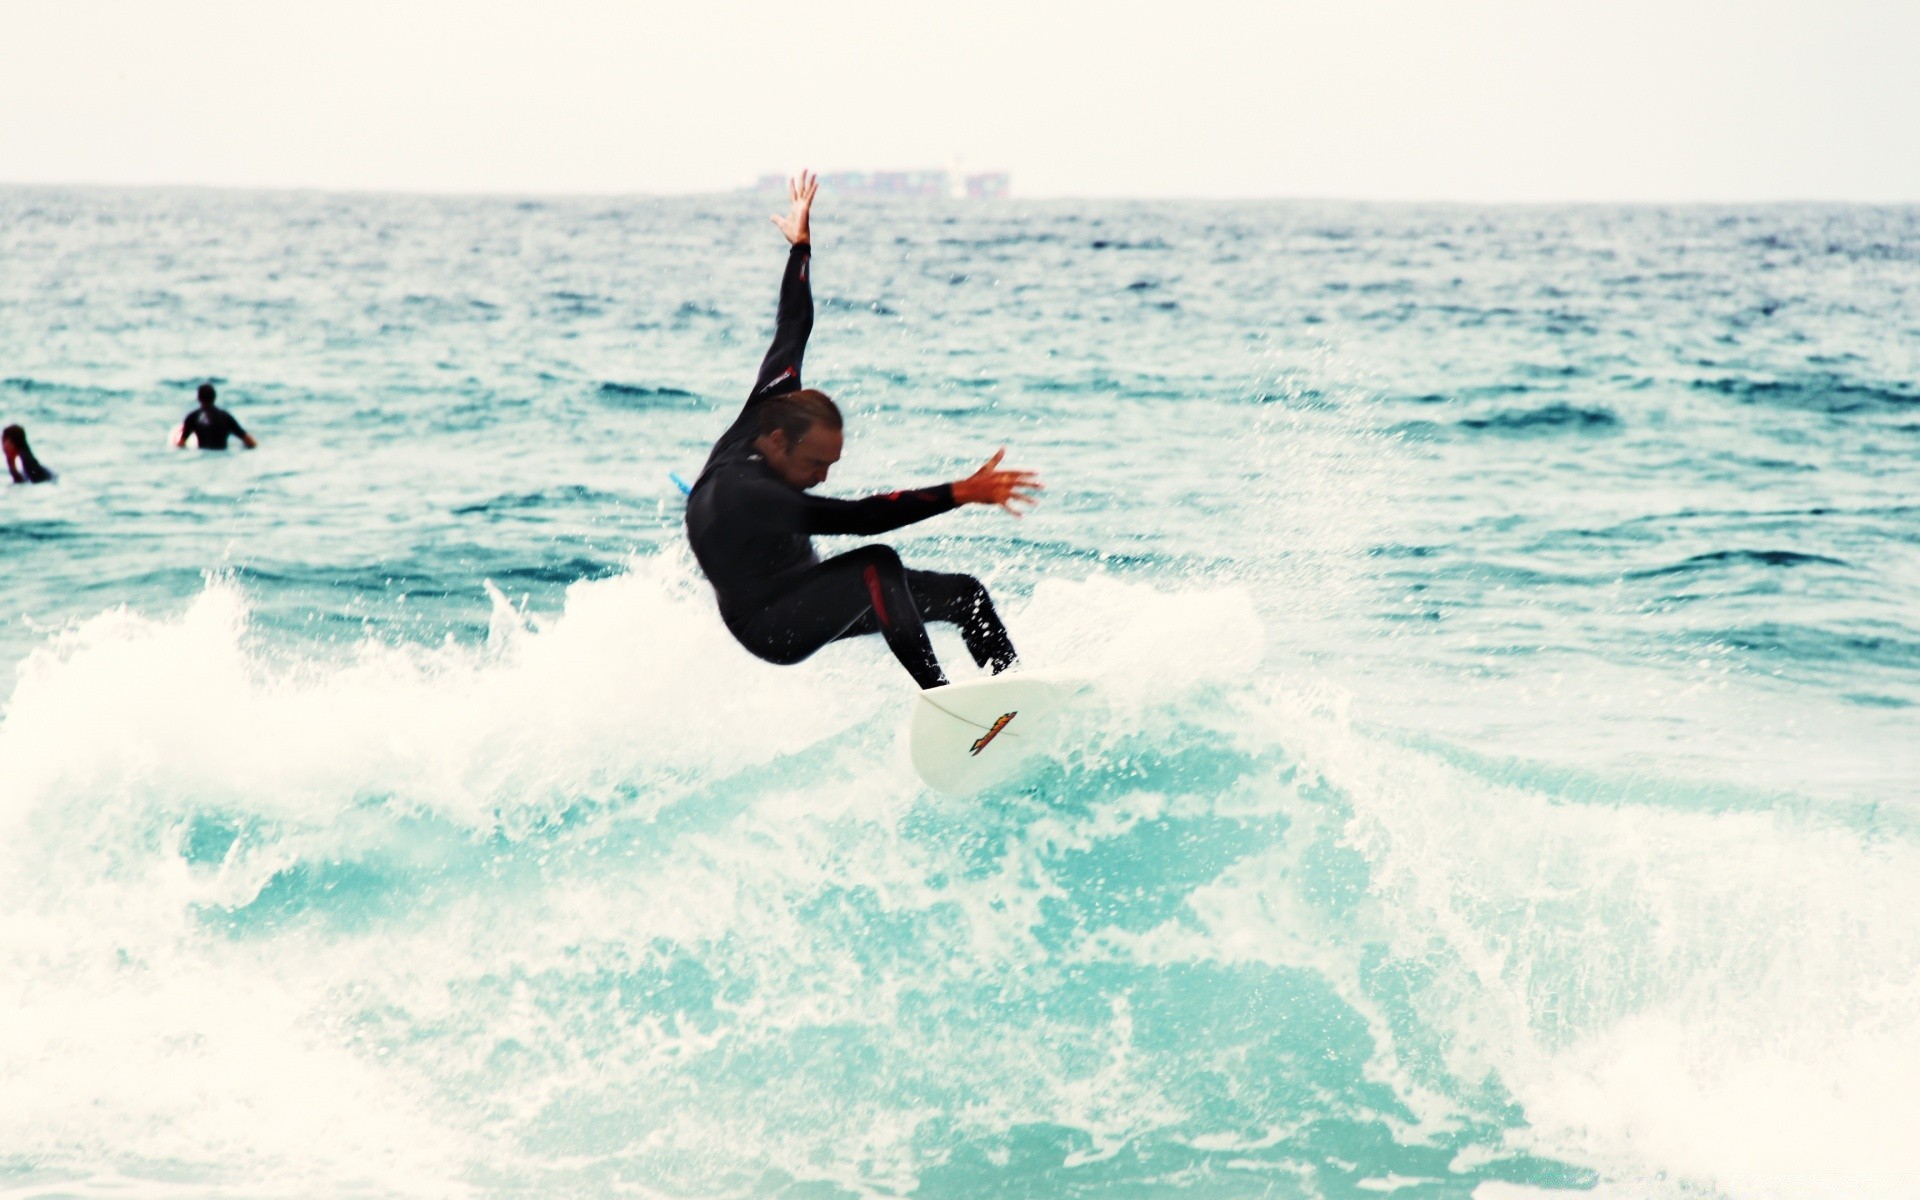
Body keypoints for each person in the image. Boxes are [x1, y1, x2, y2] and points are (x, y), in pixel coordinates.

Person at [685, 171, 1043, 691]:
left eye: (830, 465)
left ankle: (1014, 702)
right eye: (814, 466)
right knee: (877, 564)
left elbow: (793, 326)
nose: (823, 477)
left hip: (810, 584)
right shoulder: (745, 494)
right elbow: (864, 519)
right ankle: (943, 702)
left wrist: (800, 249)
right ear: (779, 442)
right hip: (770, 625)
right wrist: (960, 492)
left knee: (966, 595)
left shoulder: (775, 401)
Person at [173, 383, 257, 450]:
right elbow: (251, 443)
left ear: (198, 398)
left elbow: (181, 444)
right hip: (223, 456)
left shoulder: (192, 417)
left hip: (202, 458)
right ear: (215, 397)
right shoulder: (226, 417)